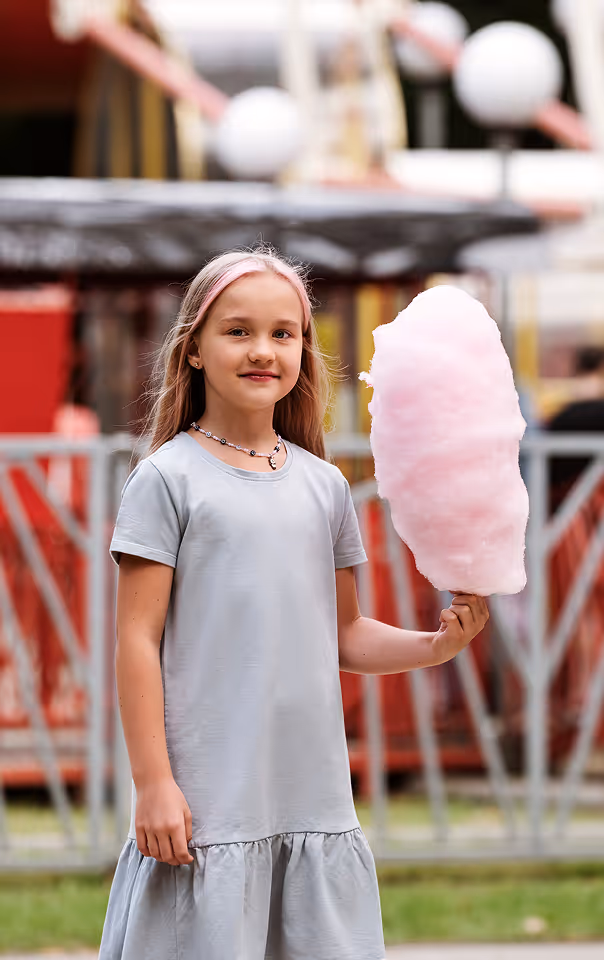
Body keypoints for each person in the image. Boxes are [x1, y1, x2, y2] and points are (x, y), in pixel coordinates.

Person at [99, 248, 488, 960]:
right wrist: (154, 782)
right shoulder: (166, 480)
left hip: (308, 794)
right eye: (238, 331)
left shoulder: (324, 486)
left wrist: (436, 646)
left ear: (305, 353)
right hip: (211, 794)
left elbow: (344, 633)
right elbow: (135, 641)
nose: (262, 351)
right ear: (193, 350)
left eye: (284, 334)